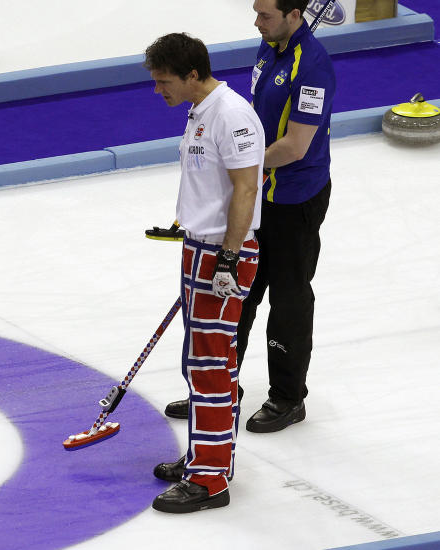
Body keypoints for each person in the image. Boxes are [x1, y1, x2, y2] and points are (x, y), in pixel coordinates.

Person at [163, 0, 335, 433]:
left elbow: (295, 147)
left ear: (295, 14)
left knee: (288, 297)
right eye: (256, 13)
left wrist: (238, 168)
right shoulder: (268, 48)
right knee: (239, 292)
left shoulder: (313, 67)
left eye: (265, 15)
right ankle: (222, 388)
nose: (257, 23)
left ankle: (287, 397)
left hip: (295, 199)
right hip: (257, 195)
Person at [143, 32, 264, 513]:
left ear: (193, 74)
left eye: (164, 81)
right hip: (201, 249)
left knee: (212, 365)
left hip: (221, 255)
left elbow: (246, 189)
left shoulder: (232, 115)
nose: (159, 91)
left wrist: (229, 258)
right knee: (202, 362)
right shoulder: (200, 110)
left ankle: (210, 480)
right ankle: (206, 457)